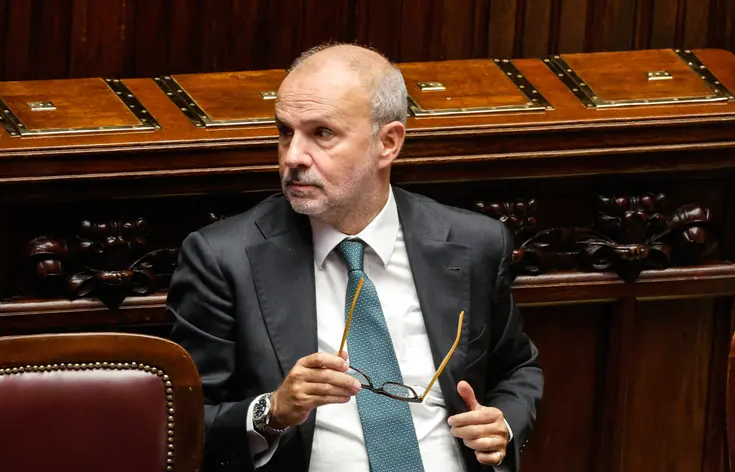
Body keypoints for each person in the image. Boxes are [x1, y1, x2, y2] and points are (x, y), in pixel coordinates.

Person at [167, 43, 543, 472]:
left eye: (322, 134)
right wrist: (271, 411)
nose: (293, 157)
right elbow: (182, 423)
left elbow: (518, 369)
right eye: (285, 132)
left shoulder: (474, 243)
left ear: (388, 143)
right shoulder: (222, 258)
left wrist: (503, 425)